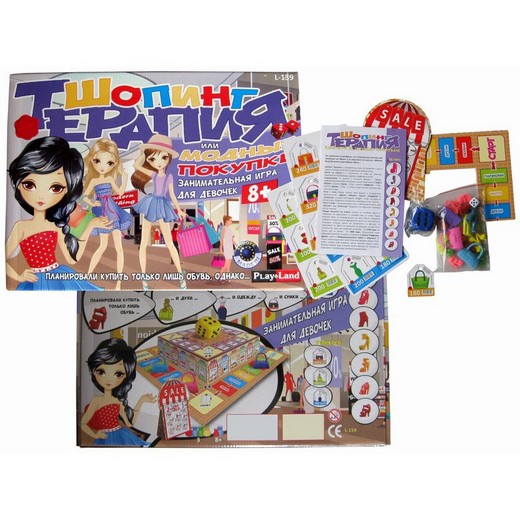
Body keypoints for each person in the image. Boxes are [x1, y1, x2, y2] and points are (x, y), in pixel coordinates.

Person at [6, 136, 113, 290]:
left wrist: (89, 226)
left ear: (67, 191)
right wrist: (18, 276)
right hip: (35, 280)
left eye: (55, 188)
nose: (41, 196)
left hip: (57, 277)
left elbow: (72, 259)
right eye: (29, 184)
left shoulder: (55, 225)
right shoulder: (20, 227)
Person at [131, 134, 186, 289]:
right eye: (153, 159)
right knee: (143, 243)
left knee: (169, 243)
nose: (159, 162)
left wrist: (179, 209)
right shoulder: (153, 174)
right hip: (152, 203)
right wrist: (145, 153)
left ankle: (181, 276)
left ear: (168, 158)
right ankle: (144, 279)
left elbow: (172, 194)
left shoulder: (169, 177)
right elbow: (136, 164)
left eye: (163, 157)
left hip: (161, 205)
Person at [81, 338, 157, 446]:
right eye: (101, 372)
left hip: (121, 434)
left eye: (118, 374)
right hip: (105, 437)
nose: (109, 379)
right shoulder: (96, 401)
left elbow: (129, 423)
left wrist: (141, 401)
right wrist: (96, 434)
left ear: (126, 376)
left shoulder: (117, 401)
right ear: (94, 371)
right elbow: (83, 424)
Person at [82, 138, 131, 289]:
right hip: (102, 213)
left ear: (114, 163)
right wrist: (92, 203)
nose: (103, 166)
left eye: (109, 163)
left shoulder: (110, 178)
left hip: (112, 211)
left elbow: (120, 192)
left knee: (119, 248)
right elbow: (85, 196)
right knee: (102, 246)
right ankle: (88, 275)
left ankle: (119, 283)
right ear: (92, 161)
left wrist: (125, 177)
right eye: (98, 161)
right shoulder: (93, 181)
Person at [219, 215, 236, 282]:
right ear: (227, 221)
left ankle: (228, 277)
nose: (231, 221)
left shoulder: (229, 229)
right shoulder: (224, 228)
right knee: (225, 264)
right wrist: (221, 250)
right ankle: (221, 277)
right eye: (230, 220)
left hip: (230, 247)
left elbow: (231, 240)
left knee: (228, 265)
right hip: (226, 248)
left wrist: (237, 245)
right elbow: (221, 239)